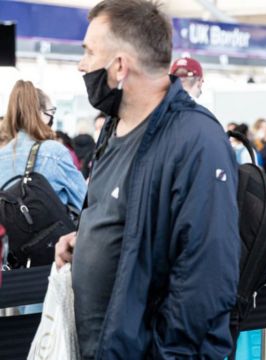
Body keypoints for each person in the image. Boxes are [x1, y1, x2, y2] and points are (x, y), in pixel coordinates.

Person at [54, 1, 240, 358]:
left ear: (120, 66)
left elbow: (207, 278)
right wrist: (87, 241)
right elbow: (135, 223)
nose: (82, 64)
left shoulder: (196, 139)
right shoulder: (113, 128)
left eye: (90, 52)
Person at [0, 80, 86, 211]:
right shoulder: (54, 152)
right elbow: (84, 202)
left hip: (10, 231)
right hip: (52, 231)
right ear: (40, 113)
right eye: (52, 111)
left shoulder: (2, 155)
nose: (52, 117)